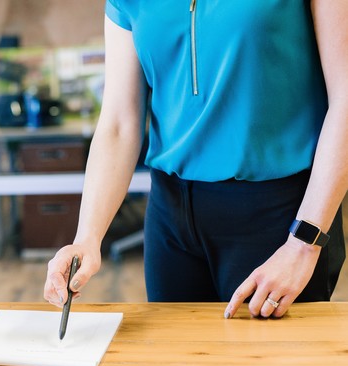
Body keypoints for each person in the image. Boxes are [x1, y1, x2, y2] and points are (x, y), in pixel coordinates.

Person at [44, 1, 348, 319]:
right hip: (171, 219)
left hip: (279, 216)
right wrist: (87, 238)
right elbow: (119, 123)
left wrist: (304, 243)